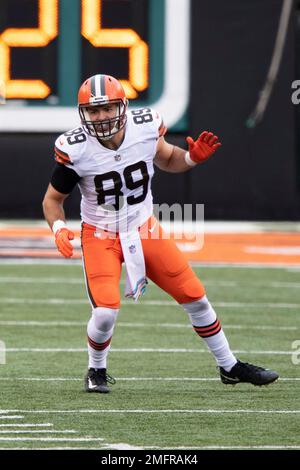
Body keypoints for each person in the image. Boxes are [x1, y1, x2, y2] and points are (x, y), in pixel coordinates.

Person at [42, 74, 279, 393]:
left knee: (195, 297)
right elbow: (53, 200)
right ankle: (96, 370)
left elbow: (168, 158)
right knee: (105, 313)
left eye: (107, 108)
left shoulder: (145, 127)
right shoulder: (76, 149)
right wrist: (58, 228)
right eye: (93, 111)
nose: (100, 117)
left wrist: (191, 158)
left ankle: (230, 366)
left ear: (122, 106)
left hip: (144, 227)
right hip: (100, 234)